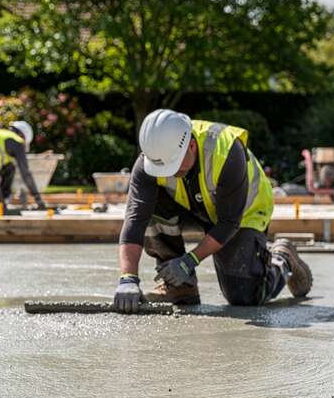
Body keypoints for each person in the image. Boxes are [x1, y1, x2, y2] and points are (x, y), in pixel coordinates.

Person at [112, 109, 312, 312]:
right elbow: (135, 218)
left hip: (243, 213)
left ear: (191, 145)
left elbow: (228, 222)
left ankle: (283, 259)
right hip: (194, 206)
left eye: (174, 166)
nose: (170, 173)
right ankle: (180, 287)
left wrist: (190, 260)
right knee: (149, 209)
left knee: (243, 296)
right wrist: (128, 278)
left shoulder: (226, 151)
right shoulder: (152, 159)